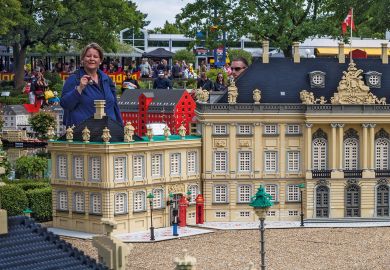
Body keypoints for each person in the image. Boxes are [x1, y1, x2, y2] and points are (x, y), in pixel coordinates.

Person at [60, 42, 123, 127]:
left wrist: (120, 128)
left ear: (100, 61)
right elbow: (65, 104)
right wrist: (79, 88)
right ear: (82, 59)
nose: (92, 59)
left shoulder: (107, 80)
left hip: (108, 133)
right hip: (84, 133)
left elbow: (115, 106)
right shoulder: (74, 79)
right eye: (88, 56)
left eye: (95, 56)